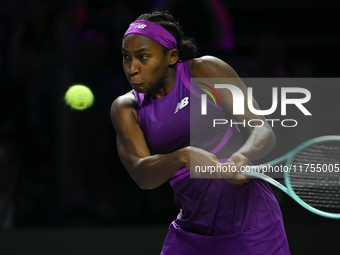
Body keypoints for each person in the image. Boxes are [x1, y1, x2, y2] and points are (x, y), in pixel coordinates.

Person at [110, 11, 290, 255]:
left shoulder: (205, 71)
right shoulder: (126, 108)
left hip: (253, 227)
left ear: (171, 56)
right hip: (192, 233)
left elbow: (263, 130)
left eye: (143, 57)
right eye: (126, 57)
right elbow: (143, 176)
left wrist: (242, 154)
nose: (132, 68)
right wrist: (182, 156)